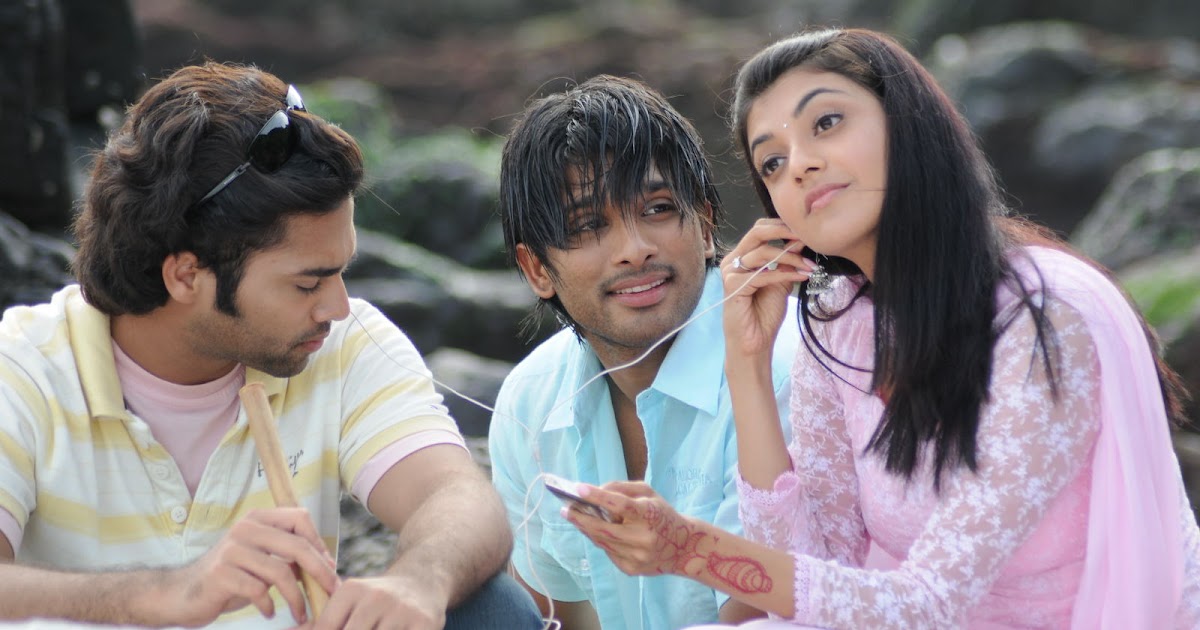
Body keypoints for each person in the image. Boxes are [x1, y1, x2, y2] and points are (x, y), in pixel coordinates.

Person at [557, 28, 1200, 628]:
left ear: (909, 124)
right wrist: (746, 361)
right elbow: (815, 565)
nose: (799, 165)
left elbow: (927, 604)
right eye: (772, 162)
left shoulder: (1044, 319)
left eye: (826, 123)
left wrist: (692, 551)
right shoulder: (838, 321)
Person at [0, 61, 542, 630]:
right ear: (185, 275)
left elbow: (457, 496)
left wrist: (417, 581)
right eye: (308, 284)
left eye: (342, 272)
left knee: (492, 610)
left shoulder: (343, 344)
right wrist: (164, 594)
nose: (337, 307)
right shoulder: (26, 364)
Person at [488, 75, 802, 629]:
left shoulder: (788, 364)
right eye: (588, 225)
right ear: (537, 268)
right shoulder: (529, 400)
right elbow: (552, 611)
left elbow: (764, 616)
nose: (635, 250)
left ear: (705, 224)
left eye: (657, 208)